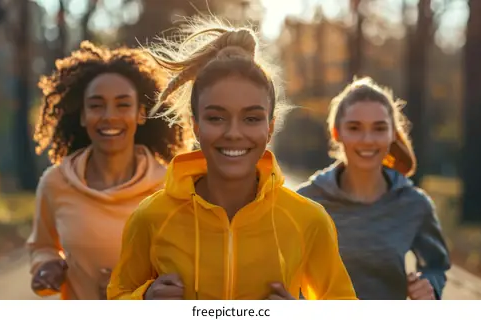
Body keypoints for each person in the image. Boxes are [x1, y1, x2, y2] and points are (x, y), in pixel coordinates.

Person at [107, 19, 357, 300]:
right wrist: (144, 301)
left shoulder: (309, 221)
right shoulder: (151, 217)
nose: (234, 133)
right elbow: (117, 296)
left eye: (251, 118)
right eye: (216, 118)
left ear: (270, 127)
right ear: (196, 126)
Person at [27, 41, 191, 300]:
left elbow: (187, 271)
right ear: (82, 116)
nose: (109, 116)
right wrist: (46, 268)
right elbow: (42, 246)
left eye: (123, 105)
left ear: (141, 114)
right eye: (96, 105)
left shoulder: (170, 188)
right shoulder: (55, 183)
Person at [296, 77, 451, 300]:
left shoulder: (414, 204)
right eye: (355, 128)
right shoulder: (305, 202)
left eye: (379, 128)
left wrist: (429, 286)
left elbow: (436, 266)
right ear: (337, 133)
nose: (367, 140)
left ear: (392, 135)